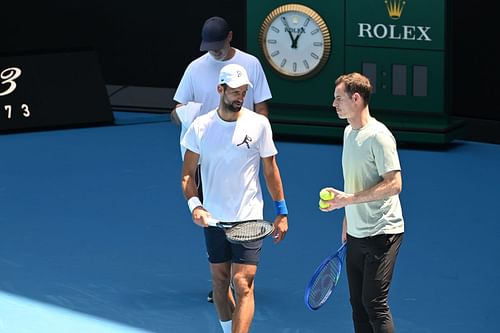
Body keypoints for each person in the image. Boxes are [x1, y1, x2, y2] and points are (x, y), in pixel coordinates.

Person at [172, 15, 273, 303]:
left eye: (218, 44)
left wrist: (258, 139)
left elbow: (262, 108)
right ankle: (223, 281)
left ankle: (239, 278)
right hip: (206, 156)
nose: (214, 51)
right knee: (214, 215)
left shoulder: (250, 65)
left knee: (241, 209)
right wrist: (187, 117)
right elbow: (174, 112)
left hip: (242, 151)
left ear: (230, 37)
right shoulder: (194, 69)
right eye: (209, 46)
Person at [181, 63, 288, 333]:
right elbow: (187, 175)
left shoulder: (259, 124)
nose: (240, 97)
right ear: (220, 90)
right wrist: (196, 206)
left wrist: (282, 211)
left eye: (244, 92)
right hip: (214, 219)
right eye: (235, 92)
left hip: (249, 217)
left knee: (242, 283)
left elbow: (270, 169)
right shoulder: (200, 127)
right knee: (220, 283)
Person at [320, 72, 404, 333]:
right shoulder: (348, 133)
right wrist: (348, 215)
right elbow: (354, 181)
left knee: (374, 303)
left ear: (355, 99)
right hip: (356, 232)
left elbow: (395, 184)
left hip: (383, 232)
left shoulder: (379, 136)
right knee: (358, 305)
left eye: (338, 99)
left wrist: (350, 200)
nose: (334, 104)